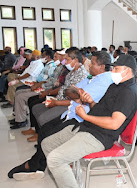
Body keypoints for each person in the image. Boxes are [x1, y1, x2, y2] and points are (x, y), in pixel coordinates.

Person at [8, 51, 114, 181]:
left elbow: (80, 96)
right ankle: (37, 165)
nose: (89, 66)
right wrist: (78, 94)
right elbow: (70, 91)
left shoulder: (103, 81)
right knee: (44, 131)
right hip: (71, 112)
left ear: (102, 66)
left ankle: (34, 165)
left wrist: (78, 94)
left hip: (79, 120)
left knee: (46, 134)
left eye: (92, 63)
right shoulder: (92, 77)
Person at [38, 54, 137, 187]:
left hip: (99, 136)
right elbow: (100, 110)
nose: (112, 72)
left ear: (127, 70)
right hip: (86, 127)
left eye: (116, 69)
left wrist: (85, 117)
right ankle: (68, 177)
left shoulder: (128, 93)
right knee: (47, 144)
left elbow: (114, 123)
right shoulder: (115, 86)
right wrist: (90, 102)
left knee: (55, 159)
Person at [31, 47, 88, 128]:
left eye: (67, 60)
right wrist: (52, 98)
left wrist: (56, 103)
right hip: (60, 99)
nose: (65, 62)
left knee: (43, 118)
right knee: (36, 108)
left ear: (75, 60)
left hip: (67, 105)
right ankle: (39, 132)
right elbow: (63, 87)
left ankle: (45, 134)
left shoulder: (81, 75)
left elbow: (75, 100)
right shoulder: (71, 72)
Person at [9, 49, 57, 129]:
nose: (41, 57)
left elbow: (50, 82)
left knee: (20, 96)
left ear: (47, 57)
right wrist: (36, 83)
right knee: (18, 92)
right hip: (38, 85)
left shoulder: (52, 66)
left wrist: (39, 84)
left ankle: (21, 121)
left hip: (43, 89)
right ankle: (19, 117)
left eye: (43, 55)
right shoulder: (46, 65)